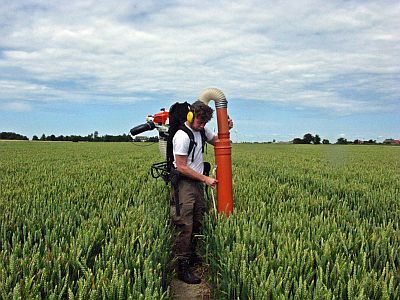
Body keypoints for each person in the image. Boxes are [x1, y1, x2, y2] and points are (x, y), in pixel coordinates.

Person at [171, 100, 233, 284]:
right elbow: (181, 167)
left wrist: (226, 129)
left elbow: (219, 142)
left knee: (197, 222)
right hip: (184, 185)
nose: (202, 125)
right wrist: (205, 179)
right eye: (199, 121)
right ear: (190, 116)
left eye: (205, 123)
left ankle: (191, 257)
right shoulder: (182, 136)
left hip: (197, 183)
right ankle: (182, 267)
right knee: (185, 225)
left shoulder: (202, 130)